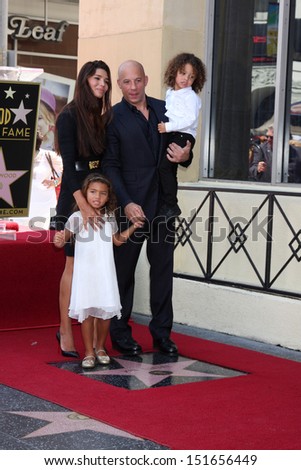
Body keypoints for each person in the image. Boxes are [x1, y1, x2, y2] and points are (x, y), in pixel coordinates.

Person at [102, 60, 192, 356]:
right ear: (119, 85)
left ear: (146, 79)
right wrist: (126, 203)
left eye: (137, 81)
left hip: (164, 204)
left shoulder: (165, 108)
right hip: (131, 208)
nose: (133, 87)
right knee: (124, 273)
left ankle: (162, 334)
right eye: (126, 82)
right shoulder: (113, 118)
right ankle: (120, 333)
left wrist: (186, 152)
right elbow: (111, 166)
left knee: (163, 272)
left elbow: (184, 138)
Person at [53, 173, 143, 368]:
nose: (97, 197)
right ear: (85, 193)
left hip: (105, 274)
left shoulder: (109, 217)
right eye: (93, 192)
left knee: (104, 313)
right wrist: (58, 239)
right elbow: (63, 239)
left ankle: (101, 348)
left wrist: (134, 227)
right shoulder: (77, 217)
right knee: (88, 314)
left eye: (102, 193)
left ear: (108, 197)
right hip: (86, 275)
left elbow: (117, 240)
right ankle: (88, 352)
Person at [54, 60, 112, 358]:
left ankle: (94, 338)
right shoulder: (69, 115)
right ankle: (65, 329)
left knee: (93, 265)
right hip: (74, 197)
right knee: (73, 265)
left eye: (105, 80)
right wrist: (81, 203)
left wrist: (99, 203)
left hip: (96, 196)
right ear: (85, 80)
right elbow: (68, 163)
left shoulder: (99, 117)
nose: (102, 84)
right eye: (96, 78)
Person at [157, 52, 206, 218]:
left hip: (183, 134)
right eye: (183, 73)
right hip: (174, 132)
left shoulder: (190, 97)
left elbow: (189, 119)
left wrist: (167, 127)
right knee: (168, 168)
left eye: (191, 77)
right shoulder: (171, 92)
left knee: (165, 166)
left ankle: (171, 205)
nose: (186, 79)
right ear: (174, 72)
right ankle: (167, 203)